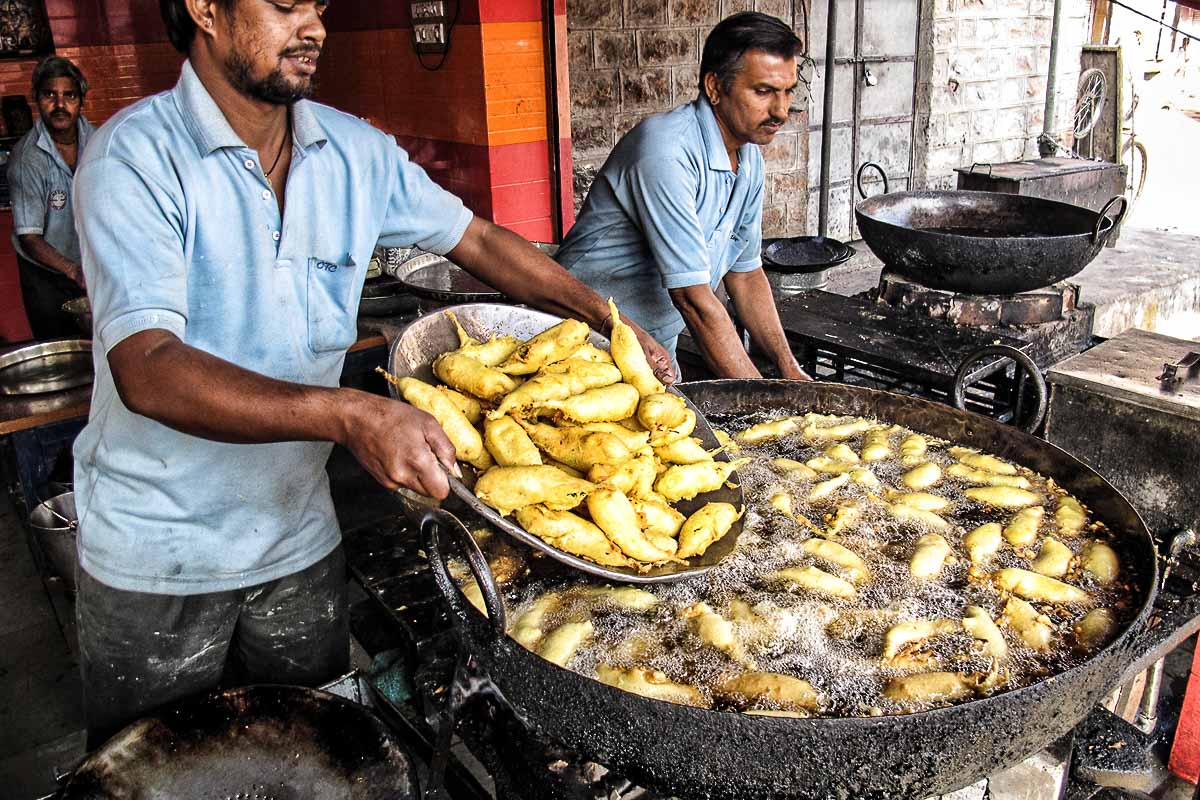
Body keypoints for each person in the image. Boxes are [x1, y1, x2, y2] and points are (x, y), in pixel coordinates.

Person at [71, 0, 672, 747]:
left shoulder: (352, 153)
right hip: (157, 555)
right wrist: (352, 414)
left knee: (314, 757)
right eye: (286, 4)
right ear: (204, 9)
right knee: (153, 769)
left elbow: (477, 238)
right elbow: (149, 369)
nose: (315, 26)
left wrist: (604, 319)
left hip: (296, 539)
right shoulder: (135, 158)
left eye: (319, 5)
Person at [555, 12, 810, 381]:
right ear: (715, 87)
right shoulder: (666, 151)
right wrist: (762, 397)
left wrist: (791, 374)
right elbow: (693, 299)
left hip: (656, 346)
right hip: (582, 343)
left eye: (787, 92)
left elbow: (747, 274)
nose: (781, 111)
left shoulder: (748, 156)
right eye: (764, 91)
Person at [8, 56, 95, 339]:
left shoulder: (99, 142)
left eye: (69, 95)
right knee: (61, 348)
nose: (60, 105)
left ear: (81, 100)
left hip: (90, 267)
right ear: (36, 99)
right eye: (49, 95)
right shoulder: (28, 160)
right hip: (46, 276)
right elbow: (29, 237)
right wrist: (72, 270)